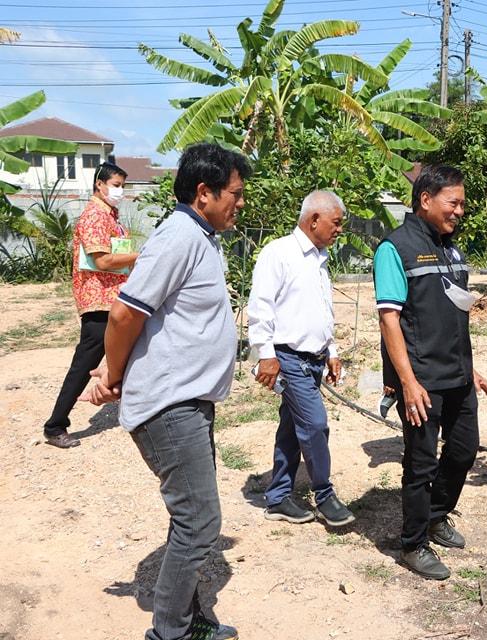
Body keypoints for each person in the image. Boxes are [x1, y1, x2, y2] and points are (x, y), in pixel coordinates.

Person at [86, 142, 251, 640]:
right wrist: (113, 376)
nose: (240, 203)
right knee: (200, 522)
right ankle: (170, 633)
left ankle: (190, 620)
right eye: (235, 193)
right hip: (170, 406)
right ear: (204, 193)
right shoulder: (178, 236)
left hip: (189, 401)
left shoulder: (201, 236)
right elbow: (124, 313)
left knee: (191, 518)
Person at [373, 164, 487, 581]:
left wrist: (471, 369)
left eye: (462, 204)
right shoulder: (395, 249)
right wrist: (407, 382)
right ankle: (413, 543)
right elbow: (389, 320)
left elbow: (452, 316)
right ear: (425, 200)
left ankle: (436, 516)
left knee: (464, 450)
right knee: (421, 464)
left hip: (459, 376)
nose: (460, 211)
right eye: (453, 203)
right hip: (422, 380)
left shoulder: (451, 249)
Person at [246, 190, 354, 527]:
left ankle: (278, 497)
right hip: (289, 358)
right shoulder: (279, 253)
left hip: (315, 359)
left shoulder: (320, 258)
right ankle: (324, 494)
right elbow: (260, 307)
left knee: (293, 428)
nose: (340, 230)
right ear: (314, 220)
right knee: (315, 424)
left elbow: (322, 310)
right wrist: (266, 355)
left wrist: (331, 351)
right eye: (336, 223)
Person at [42, 161, 137, 448]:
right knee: (85, 362)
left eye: (123, 186)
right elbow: (102, 260)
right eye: (116, 185)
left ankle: (134, 406)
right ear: (100, 184)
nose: (120, 191)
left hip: (113, 297)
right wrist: (139, 257)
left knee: (129, 350)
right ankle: (55, 425)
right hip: (98, 300)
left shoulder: (110, 215)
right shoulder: (95, 216)